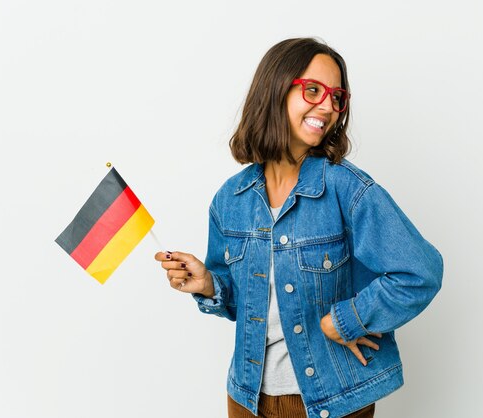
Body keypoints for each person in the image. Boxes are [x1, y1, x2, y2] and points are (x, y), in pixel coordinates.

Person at [154, 37, 443, 418]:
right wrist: (209, 284)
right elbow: (245, 303)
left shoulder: (347, 189)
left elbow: (419, 272)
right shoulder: (231, 199)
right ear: (274, 91)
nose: (328, 106)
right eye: (312, 90)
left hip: (331, 401)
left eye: (337, 97)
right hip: (246, 397)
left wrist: (346, 321)